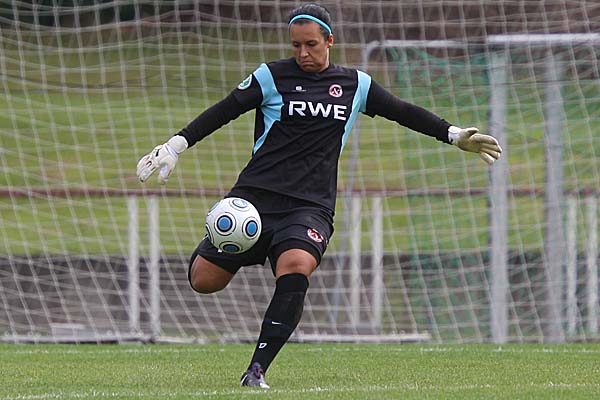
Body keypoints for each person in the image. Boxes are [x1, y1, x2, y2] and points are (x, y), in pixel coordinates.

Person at [136, 3, 502, 389]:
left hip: (309, 207)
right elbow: (223, 111)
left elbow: (403, 111)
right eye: (296, 45)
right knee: (203, 280)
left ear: (330, 41)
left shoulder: (355, 85)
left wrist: (453, 135)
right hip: (255, 200)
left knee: (296, 265)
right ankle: (240, 245)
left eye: (311, 44)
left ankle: (256, 370)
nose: (303, 53)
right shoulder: (271, 76)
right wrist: (175, 145)